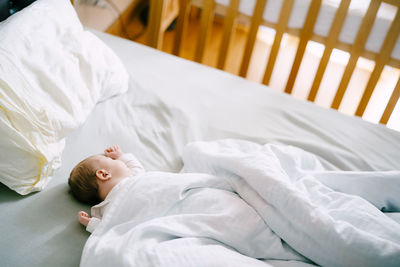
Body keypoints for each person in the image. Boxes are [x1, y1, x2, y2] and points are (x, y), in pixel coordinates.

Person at [68, 145, 145, 233]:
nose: (118, 160)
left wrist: (121, 156)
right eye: (112, 160)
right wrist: (90, 223)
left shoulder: (133, 177)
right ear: (104, 174)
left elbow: (135, 166)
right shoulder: (106, 208)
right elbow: (109, 229)